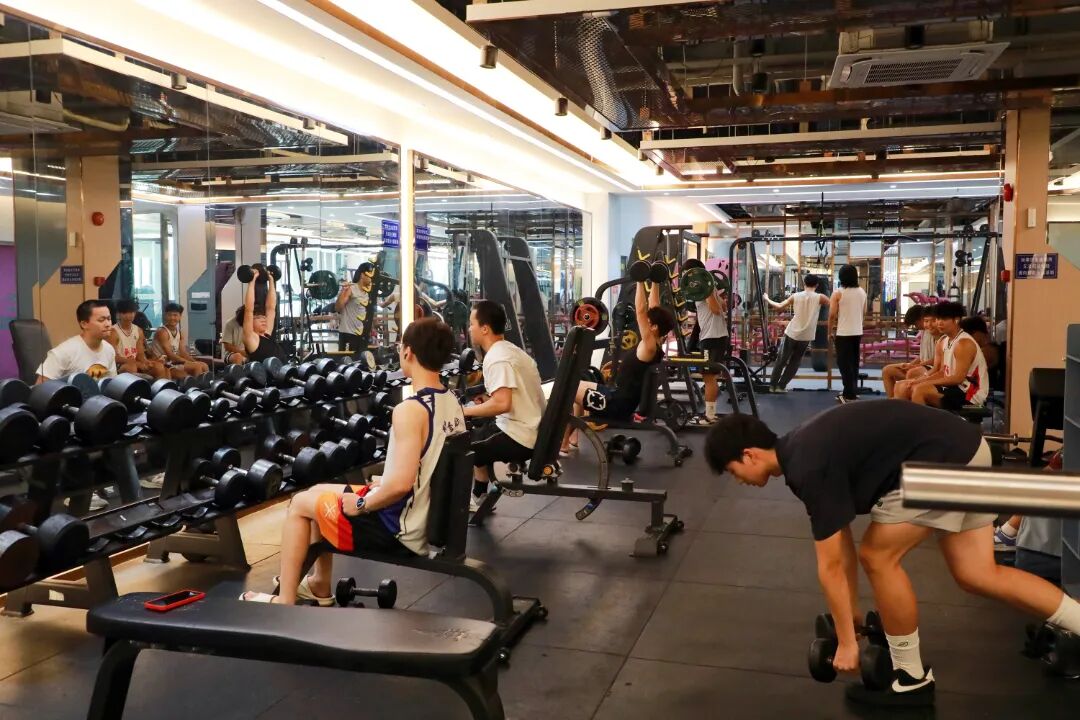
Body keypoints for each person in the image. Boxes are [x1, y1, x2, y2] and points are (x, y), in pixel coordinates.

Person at [704, 403, 1080, 706]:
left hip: (943, 460)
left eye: (732, 471)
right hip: (966, 447)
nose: (737, 480)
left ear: (749, 455)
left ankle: (911, 677)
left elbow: (832, 564)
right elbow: (839, 547)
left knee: (878, 556)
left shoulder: (808, 466)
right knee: (978, 573)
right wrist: (849, 616)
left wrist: (848, 643)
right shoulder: (801, 448)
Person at [241, 317, 465, 605]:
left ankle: (284, 599)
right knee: (315, 492)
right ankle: (319, 584)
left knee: (299, 505)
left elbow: (401, 485)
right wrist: (381, 485)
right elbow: (426, 467)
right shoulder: (451, 401)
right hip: (420, 513)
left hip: (398, 529)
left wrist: (361, 504)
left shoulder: (411, 410)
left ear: (407, 352)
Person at [560, 277, 675, 453]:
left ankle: (562, 442)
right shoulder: (655, 343)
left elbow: (641, 311)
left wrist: (639, 280)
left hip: (615, 405)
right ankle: (572, 437)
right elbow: (653, 307)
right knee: (575, 384)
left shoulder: (649, 346)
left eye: (648, 322)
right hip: (615, 395)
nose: (645, 322)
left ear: (653, 327)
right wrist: (655, 281)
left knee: (567, 390)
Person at [462, 300, 546, 509]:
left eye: (472, 324)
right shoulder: (511, 350)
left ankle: (460, 504)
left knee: (458, 447)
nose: (470, 329)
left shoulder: (497, 358)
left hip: (519, 436)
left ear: (485, 328)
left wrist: (464, 411)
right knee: (476, 433)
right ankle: (480, 494)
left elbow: (502, 404)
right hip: (528, 428)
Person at [895, 302, 987, 410]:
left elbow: (958, 378)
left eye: (944, 319)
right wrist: (920, 380)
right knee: (901, 386)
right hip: (955, 388)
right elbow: (943, 372)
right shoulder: (944, 341)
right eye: (938, 319)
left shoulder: (964, 343)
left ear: (956, 320)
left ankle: (923, 421)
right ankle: (905, 419)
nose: (939, 323)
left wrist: (925, 382)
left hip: (970, 395)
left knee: (919, 390)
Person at [763, 274, 829, 393]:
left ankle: (772, 386)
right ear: (817, 285)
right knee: (795, 362)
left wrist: (767, 299)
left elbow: (779, 306)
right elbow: (834, 305)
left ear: (804, 283)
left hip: (792, 332)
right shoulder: (821, 297)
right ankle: (781, 387)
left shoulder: (796, 296)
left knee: (781, 360)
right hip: (806, 335)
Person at [684, 259, 729, 425]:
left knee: (708, 378)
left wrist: (708, 291)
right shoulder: (709, 287)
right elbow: (724, 306)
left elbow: (717, 309)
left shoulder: (706, 288)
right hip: (714, 336)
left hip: (712, 338)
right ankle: (711, 414)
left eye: (688, 274)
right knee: (710, 377)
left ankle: (710, 416)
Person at [36, 299, 118, 383]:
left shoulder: (109, 350)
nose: (108, 324)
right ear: (84, 324)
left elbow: (111, 385)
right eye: (101, 320)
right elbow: (41, 388)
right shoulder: (64, 352)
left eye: (109, 319)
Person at [882, 306, 939, 398]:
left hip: (930, 368)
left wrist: (915, 366)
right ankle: (892, 400)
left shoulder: (936, 333)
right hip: (923, 366)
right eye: (926, 321)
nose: (916, 327)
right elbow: (922, 356)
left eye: (915, 324)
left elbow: (937, 360)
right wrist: (911, 364)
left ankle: (904, 398)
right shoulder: (924, 332)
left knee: (911, 374)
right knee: (887, 370)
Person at [829, 264, 866, 404]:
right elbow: (863, 312)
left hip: (843, 333)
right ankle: (851, 392)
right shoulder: (862, 292)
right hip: (857, 332)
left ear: (841, 277)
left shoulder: (838, 293)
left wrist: (829, 331)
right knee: (854, 363)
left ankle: (849, 394)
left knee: (844, 364)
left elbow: (832, 315)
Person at [241, 270, 287, 362]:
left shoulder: (266, 333)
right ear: (250, 322)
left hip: (283, 369)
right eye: (258, 317)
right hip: (268, 372)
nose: (263, 320)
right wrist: (252, 281)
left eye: (264, 317)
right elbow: (249, 310)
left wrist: (271, 280)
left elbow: (271, 308)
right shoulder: (251, 338)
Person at [153, 303, 209, 378]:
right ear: (165, 316)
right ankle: (196, 385)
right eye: (169, 315)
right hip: (162, 364)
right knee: (197, 367)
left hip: (172, 362)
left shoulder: (180, 333)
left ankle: (204, 384)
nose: (172, 318)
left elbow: (183, 353)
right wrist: (192, 363)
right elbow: (170, 355)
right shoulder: (162, 332)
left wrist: (194, 361)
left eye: (175, 315)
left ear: (180, 316)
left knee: (204, 365)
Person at [335, 265, 374, 355]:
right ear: (362, 275)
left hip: (361, 335)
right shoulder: (351, 289)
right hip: (348, 334)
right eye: (370, 276)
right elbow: (338, 308)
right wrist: (343, 291)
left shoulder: (368, 292)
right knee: (347, 362)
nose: (371, 279)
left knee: (362, 361)